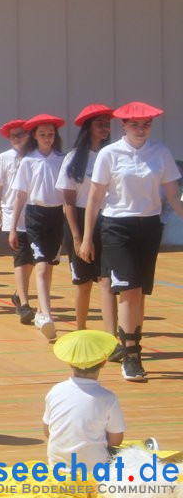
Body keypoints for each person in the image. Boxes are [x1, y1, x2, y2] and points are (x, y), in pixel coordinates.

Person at [81, 101, 183, 382]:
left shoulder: (160, 153)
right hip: (116, 227)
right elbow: (94, 198)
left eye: (146, 124)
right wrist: (87, 237)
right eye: (135, 124)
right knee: (127, 289)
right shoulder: (109, 154)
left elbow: (173, 195)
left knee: (139, 293)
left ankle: (130, 347)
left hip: (149, 227)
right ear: (123, 126)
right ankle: (131, 356)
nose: (141, 129)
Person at [57, 105, 115, 335]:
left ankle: (111, 336)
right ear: (88, 127)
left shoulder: (111, 154)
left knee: (106, 280)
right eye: (99, 123)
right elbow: (68, 203)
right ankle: (80, 330)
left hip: (107, 219)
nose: (105, 128)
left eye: (107, 123)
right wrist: (78, 237)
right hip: (79, 221)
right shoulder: (74, 158)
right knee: (83, 282)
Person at [10, 114, 67, 342]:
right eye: (42, 134)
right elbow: (20, 195)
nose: (47, 138)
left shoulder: (62, 159)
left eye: (50, 134)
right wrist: (13, 227)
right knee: (41, 266)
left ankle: (42, 311)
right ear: (34, 136)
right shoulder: (28, 161)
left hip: (56, 216)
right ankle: (47, 315)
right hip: (35, 216)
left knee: (49, 266)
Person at [0, 119, 33, 322]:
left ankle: (19, 294)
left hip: (36, 214)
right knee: (21, 257)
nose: (17, 139)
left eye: (21, 134)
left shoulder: (36, 157)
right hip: (13, 214)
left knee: (32, 260)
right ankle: (25, 303)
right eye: (13, 136)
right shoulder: (4, 158)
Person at [43, 330, 124, 468]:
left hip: (57, 464)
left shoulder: (56, 390)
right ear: (104, 362)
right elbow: (116, 440)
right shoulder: (108, 398)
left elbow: (47, 430)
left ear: (70, 362)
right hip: (94, 466)